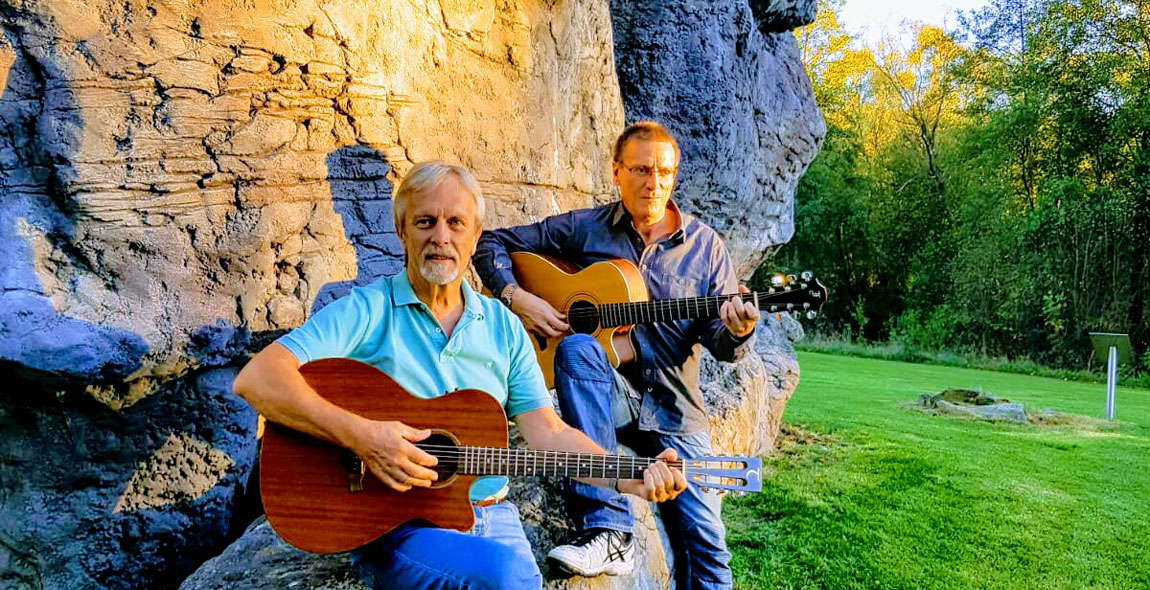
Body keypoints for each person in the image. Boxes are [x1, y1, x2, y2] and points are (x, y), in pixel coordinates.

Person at [232, 160, 687, 590]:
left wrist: (628, 476)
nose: (440, 238)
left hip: (493, 515)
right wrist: (364, 437)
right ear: (401, 232)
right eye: (425, 222)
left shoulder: (504, 326)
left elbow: (547, 432)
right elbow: (258, 378)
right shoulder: (369, 310)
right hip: (400, 523)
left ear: (474, 238)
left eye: (455, 224)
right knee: (506, 577)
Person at [473, 121, 760, 590]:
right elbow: (492, 242)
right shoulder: (585, 229)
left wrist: (738, 328)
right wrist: (517, 297)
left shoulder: (705, 247)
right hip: (607, 398)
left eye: (665, 173)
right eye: (643, 169)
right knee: (579, 346)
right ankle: (608, 530)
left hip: (674, 410)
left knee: (705, 546)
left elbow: (723, 346)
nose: (655, 183)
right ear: (616, 171)